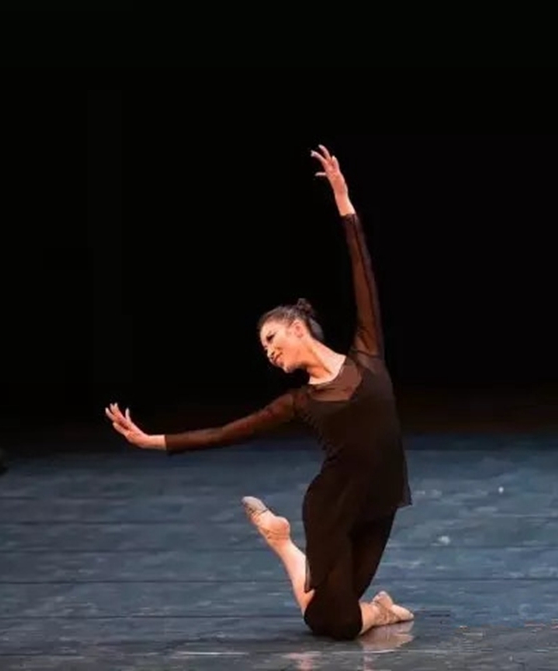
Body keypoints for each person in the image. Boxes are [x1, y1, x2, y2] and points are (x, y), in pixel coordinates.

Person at [105, 145, 413, 640]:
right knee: (334, 623)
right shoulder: (299, 402)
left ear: (297, 327)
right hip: (333, 507)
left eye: (271, 339)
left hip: (380, 498)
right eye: (263, 349)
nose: (268, 352)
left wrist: (343, 201)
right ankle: (370, 605)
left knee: (327, 617)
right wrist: (152, 441)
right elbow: (227, 433)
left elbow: (363, 271)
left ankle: (288, 546)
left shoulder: (366, 352)